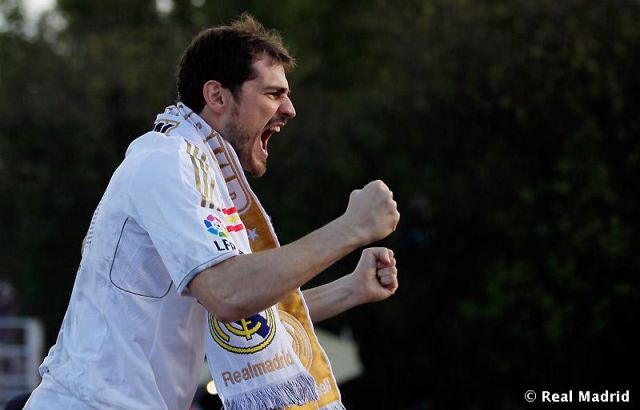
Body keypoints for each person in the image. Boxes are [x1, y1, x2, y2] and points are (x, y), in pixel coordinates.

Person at [24, 14, 399, 410]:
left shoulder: (195, 167)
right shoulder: (168, 159)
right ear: (217, 96)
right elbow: (229, 294)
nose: (289, 109)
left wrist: (350, 289)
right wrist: (352, 228)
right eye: (273, 93)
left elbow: (242, 319)